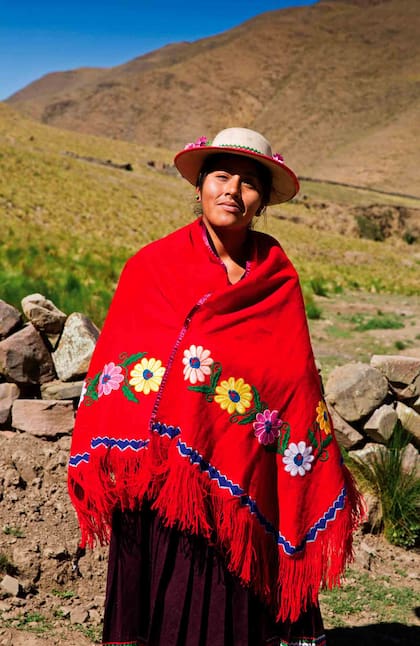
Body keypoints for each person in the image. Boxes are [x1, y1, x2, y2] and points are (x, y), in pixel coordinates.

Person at [68, 127, 363, 646]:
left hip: (248, 476)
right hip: (166, 487)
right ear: (200, 186)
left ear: (263, 201)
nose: (233, 190)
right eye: (221, 176)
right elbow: (126, 365)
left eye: (249, 182)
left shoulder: (277, 277)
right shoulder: (152, 267)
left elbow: (293, 377)